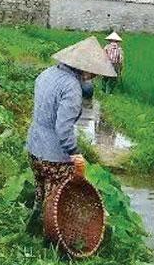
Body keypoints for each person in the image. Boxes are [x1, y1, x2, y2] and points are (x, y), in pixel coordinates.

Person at [26, 37, 116, 229]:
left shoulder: (46, 74)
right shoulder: (72, 87)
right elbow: (63, 128)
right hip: (53, 154)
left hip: (34, 147)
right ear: (84, 67)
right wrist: (75, 153)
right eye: (94, 72)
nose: (94, 76)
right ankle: (52, 239)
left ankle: (32, 228)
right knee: (58, 200)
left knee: (41, 191)